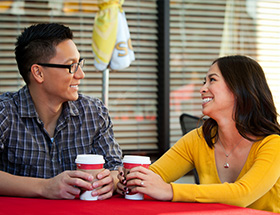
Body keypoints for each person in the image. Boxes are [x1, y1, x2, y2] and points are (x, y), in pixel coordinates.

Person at [117, 55, 280, 213]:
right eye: (204, 82)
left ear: (239, 88)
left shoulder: (273, 144)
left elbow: (243, 194)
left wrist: (170, 191)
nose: (202, 89)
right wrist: (126, 180)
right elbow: (154, 176)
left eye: (212, 80)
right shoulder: (200, 138)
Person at [0, 23, 123, 200]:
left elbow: (116, 168)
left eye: (79, 63)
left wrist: (111, 180)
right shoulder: (5, 112)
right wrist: (44, 187)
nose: (81, 74)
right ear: (38, 73)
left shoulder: (94, 112)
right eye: (71, 66)